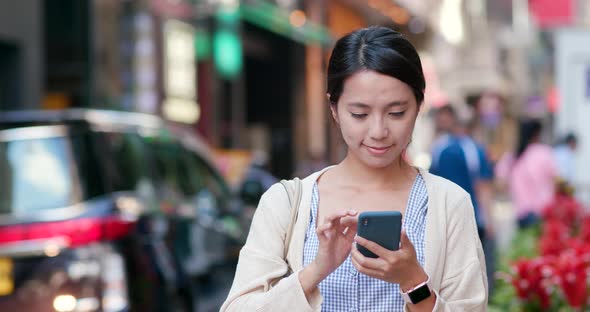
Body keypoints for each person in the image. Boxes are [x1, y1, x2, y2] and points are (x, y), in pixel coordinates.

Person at [221, 26, 487, 311]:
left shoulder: (448, 204)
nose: (378, 131)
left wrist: (414, 282)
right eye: (359, 114)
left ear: (419, 104)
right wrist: (316, 270)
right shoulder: (287, 204)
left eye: (396, 112)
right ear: (334, 109)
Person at [429, 105, 496, 294]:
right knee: (473, 270)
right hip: (472, 217)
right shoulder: (475, 150)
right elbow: (483, 186)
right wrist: (489, 221)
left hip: (444, 218)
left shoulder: (439, 147)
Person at [495, 119, 558, 228]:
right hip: (543, 211)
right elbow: (556, 180)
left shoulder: (513, 156)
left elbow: (500, 182)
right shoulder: (544, 152)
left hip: (521, 212)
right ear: (537, 134)